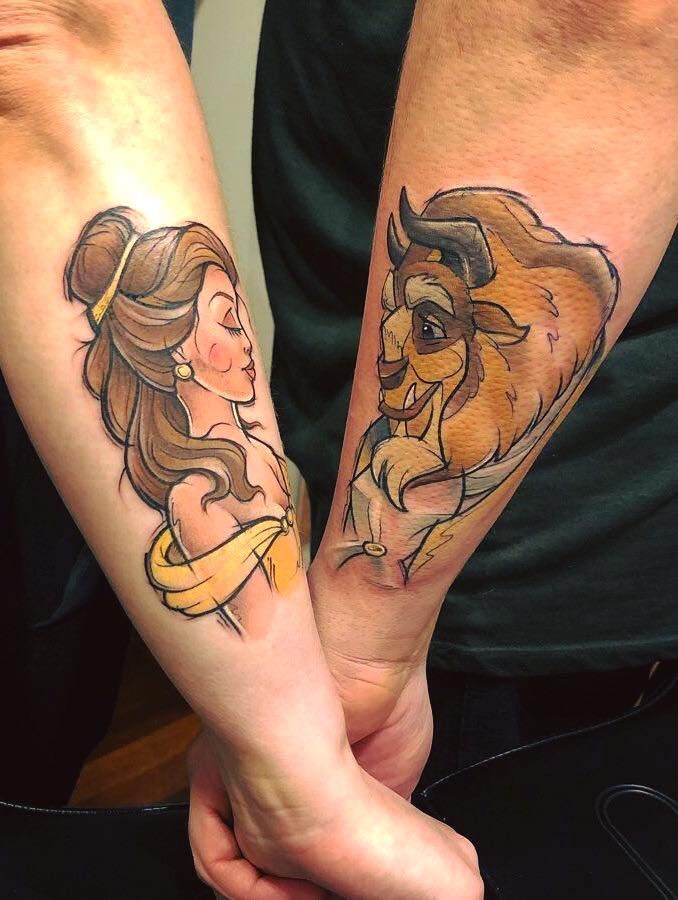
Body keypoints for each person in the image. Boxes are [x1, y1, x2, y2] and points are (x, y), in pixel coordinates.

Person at [0, 2, 675, 899]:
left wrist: (321, 695)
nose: (235, 338)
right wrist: (302, 720)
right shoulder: (201, 471)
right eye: (214, 320)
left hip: (543, 560)